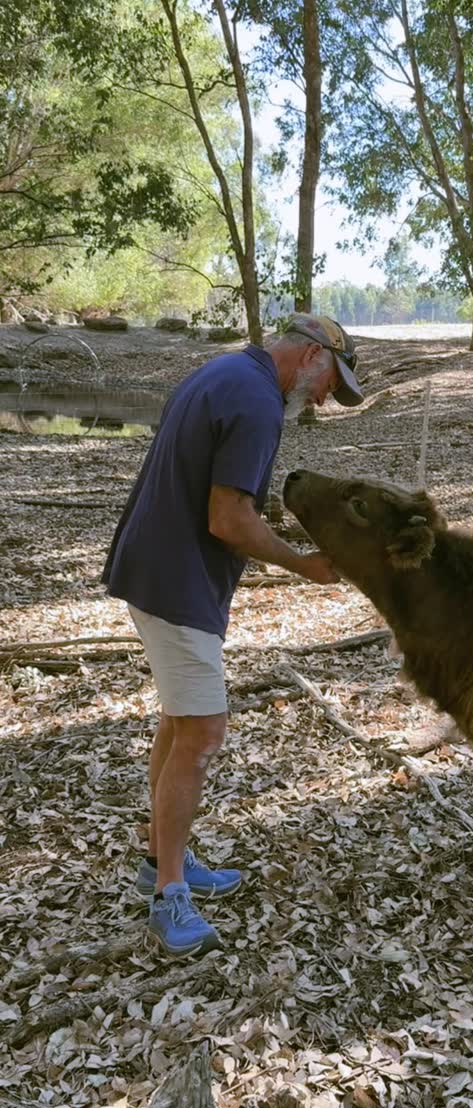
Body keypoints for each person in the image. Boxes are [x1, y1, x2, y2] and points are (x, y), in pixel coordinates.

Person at [102, 313, 363, 957]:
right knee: (202, 731)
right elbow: (228, 518)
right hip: (175, 583)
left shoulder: (223, 372)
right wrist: (304, 564)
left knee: (178, 719)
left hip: (154, 568)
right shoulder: (256, 402)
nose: (328, 395)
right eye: (332, 378)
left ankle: (160, 853)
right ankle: (168, 895)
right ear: (308, 356)